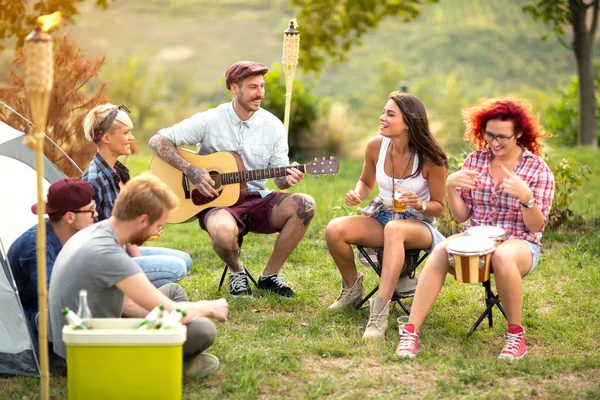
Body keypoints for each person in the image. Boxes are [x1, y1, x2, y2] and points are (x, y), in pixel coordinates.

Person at [396, 97, 555, 360]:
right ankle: (411, 332)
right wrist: (450, 186)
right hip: (475, 238)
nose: (495, 143)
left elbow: (537, 226)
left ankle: (516, 337)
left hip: (520, 242)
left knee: (503, 256)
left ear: (518, 133)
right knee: (439, 251)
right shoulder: (476, 160)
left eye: (503, 137)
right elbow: (462, 217)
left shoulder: (537, 168)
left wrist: (526, 198)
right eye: (489, 135)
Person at [149, 61, 316, 298]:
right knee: (224, 232)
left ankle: (269, 276)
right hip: (218, 203)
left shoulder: (273, 126)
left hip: (258, 198)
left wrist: (288, 178)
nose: (260, 93)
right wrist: (190, 170)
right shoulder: (210, 119)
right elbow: (157, 141)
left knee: (305, 205)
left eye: (261, 86)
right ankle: (237, 273)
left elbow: (279, 181)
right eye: (252, 87)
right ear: (234, 89)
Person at [48, 173, 228, 378]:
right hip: (91, 352)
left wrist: (168, 319)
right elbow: (172, 309)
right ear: (143, 220)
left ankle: (167, 353)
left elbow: (127, 303)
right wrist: (210, 307)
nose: (158, 231)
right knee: (203, 329)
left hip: (80, 337)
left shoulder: (96, 232)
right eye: (159, 225)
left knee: (173, 292)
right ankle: (159, 366)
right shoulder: (108, 254)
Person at [325, 91, 448, 339]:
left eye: (390, 114)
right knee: (334, 229)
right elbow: (365, 181)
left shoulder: (432, 159)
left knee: (394, 230)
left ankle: (379, 312)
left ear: (408, 122)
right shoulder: (375, 146)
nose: (382, 118)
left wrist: (420, 204)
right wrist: (358, 194)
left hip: (418, 225)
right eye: (383, 112)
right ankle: (352, 289)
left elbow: (438, 207)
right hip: (383, 216)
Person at [82, 103, 192, 288]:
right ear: (107, 137)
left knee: (185, 260)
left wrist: (141, 233)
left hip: (122, 249)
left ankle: (140, 291)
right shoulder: (94, 180)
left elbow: (123, 223)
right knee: (177, 268)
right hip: (107, 262)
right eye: (125, 133)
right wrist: (139, 233)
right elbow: (94, 240)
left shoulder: (118, 171)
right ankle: (127, 298)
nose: (131, 138)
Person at [8, 178, 96, 337]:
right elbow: (52, 298)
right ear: (69, 217)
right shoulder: (37, 247)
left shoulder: (71, 234)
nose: (95, 214)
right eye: (91, 209)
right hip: (29, 317)